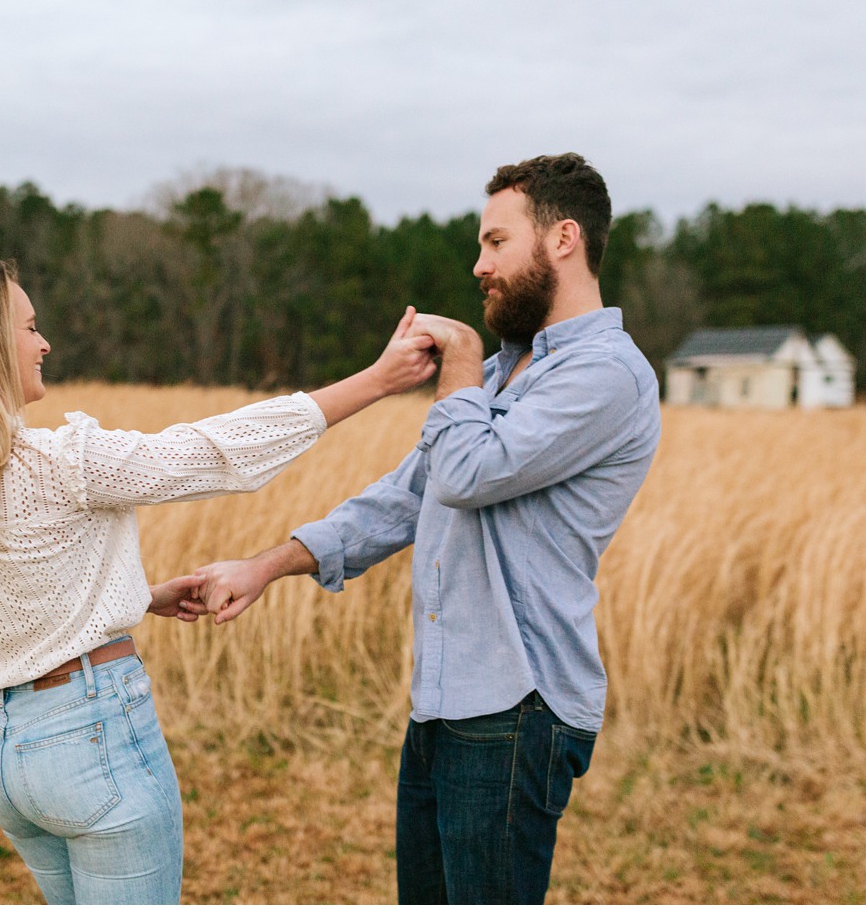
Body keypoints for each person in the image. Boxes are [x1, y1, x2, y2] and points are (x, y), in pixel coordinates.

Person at [0, 256, 437, 904]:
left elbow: (13, 597)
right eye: (29, 327)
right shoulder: (60, 461)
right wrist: (377, 380)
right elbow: (214, 452)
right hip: (92, 737)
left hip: (5, 752)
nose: (43, 342)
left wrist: (141, 595)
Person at [187, 153, 663, 906]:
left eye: (496, 242)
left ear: (563, 238)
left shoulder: (607, 374)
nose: (479, 265)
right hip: (444, 701)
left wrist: (462, 363)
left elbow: (471, 472)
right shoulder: (506, 370)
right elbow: (410, 494)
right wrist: (264, 565)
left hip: (518, 705)